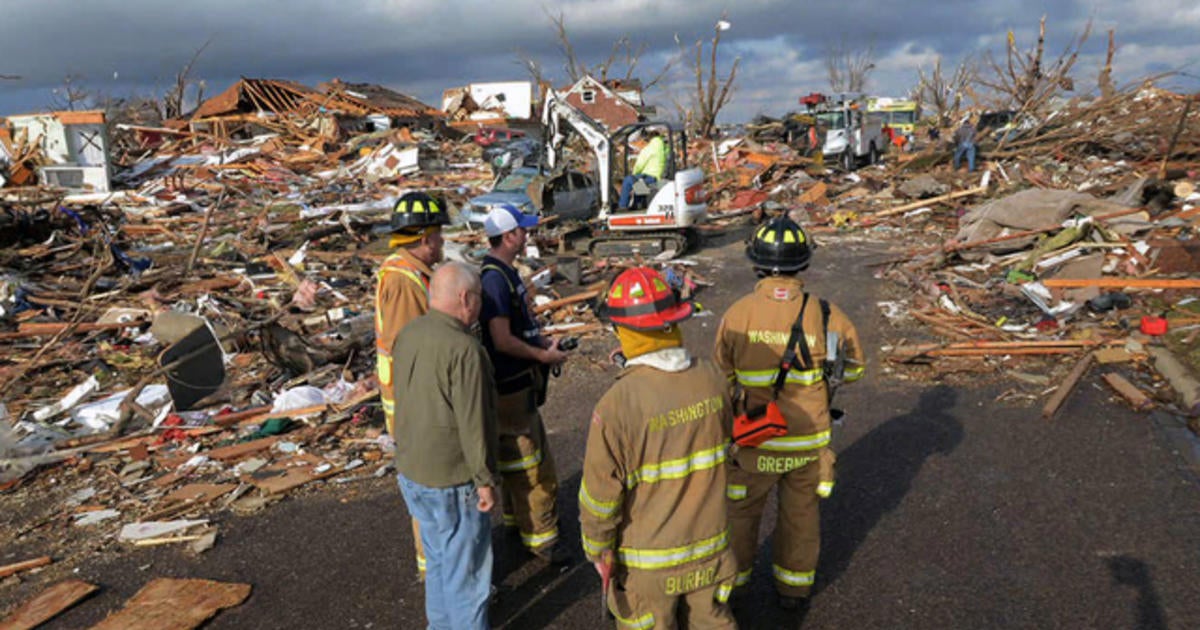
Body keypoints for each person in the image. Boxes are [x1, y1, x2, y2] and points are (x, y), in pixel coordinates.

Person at [714, 216, 865, 609]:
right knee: (801, 517)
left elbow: (721, 377)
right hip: (808, 443)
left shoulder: (737, 315)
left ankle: (736, 586)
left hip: (754, 441)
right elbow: (855, 369)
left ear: (757, 264)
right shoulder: (829, 315)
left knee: (742, 517)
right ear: (804, 265)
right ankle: (793, 591)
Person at [581, 266, 738, 628]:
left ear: (624, 331)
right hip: (710, 552)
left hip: (648, 565)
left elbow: (600, 497)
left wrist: (597, 547)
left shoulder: (617, 404)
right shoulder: (712, 377)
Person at [392, 262, 498, 630]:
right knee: (467, 578)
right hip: (452, 479)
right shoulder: (465, 349)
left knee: (438, 564)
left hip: (412, 471)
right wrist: (484, 479)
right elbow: (475, 422)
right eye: (480, 298)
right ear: (465, 298)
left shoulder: (409, 333)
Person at [479, 205, 570, 562]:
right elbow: (501, 338)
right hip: (511, 386)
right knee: (533, 468)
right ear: (508, 236)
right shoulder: (494, 279)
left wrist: (541, 341)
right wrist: (542, 356)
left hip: (518, 383)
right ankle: (544, 542)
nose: (527, 235)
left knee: (516, 462)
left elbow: (517, 328)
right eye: (523, 230)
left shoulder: (505, 273)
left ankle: (518, 523)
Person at [375, 190, 447, 581]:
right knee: (430, 489)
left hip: (413, 401)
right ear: (422, 239)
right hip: (413, 406)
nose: (441, 243)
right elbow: (410, 349)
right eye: (438, 236)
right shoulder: (403, 281)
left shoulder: (409, 271)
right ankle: (434, 573)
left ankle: (435, 568)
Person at [618, 129, 667, 209]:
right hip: (657, 176)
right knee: (638, 182)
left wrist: (634, 174)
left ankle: (622, 207)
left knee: (628, 180)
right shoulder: (662, 147)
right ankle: (638, 205)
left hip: (651, 177)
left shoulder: (650, 148)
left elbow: (639, 164)